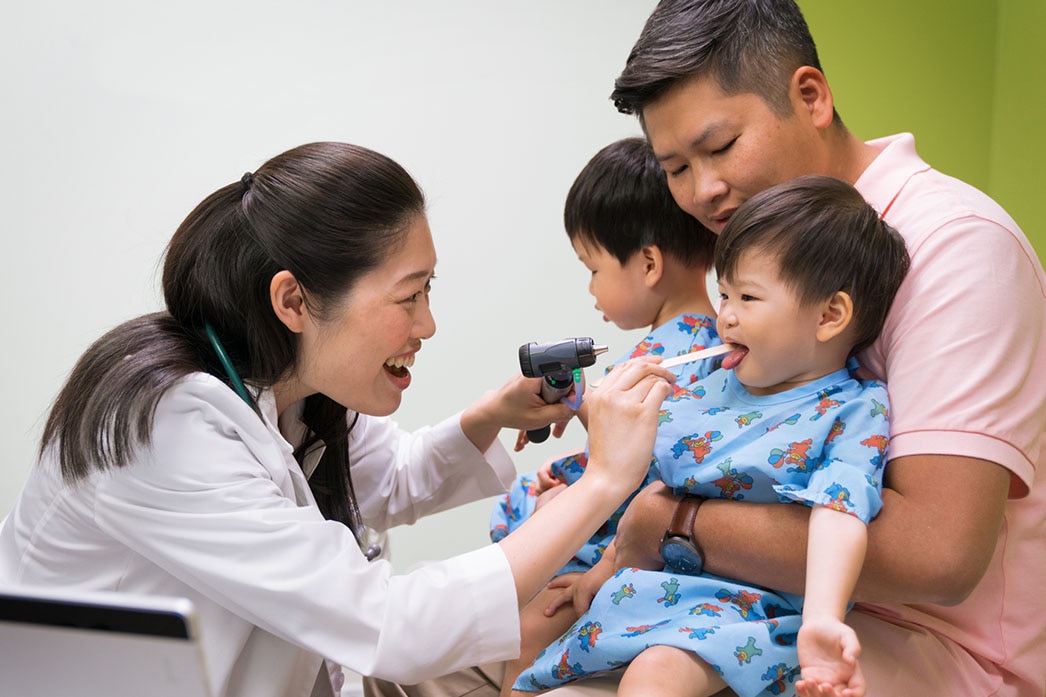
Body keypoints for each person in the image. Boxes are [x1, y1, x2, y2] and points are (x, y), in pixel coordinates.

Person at [0, 142, 679, 697]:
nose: (428, 324)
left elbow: (387, 478)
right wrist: (603, 481)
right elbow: (392, 624)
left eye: (429, 289)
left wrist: (488, 418)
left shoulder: (288, 382)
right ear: (293, 299)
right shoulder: (168, 425)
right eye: (408, 296)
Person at [542, 1, 1043, 695]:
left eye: (720, 148)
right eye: (676, 168)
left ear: (810, 96)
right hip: (753, 599)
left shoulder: (955, 247)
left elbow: (938, 553)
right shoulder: (762, 247)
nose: (702, 190)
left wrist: (676, 520)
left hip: (922, 644)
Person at [514, 175, 909, 697]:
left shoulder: (853, 409)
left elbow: (840, 511)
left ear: (829, 315)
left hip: (741, 613)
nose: (724, 317)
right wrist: (606, 568)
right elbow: (652, 490)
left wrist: (823, 618)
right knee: (528, 670)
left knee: (655, 676)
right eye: (723, 293)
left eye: (747, 297)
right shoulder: (710, 384)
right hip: (648, 590)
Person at [489, 136, 719, 693]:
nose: (590, 290)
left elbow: (651, 464)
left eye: (592, 269)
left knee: (523, 635)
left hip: (631, 549)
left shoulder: (672, 362)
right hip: (621, 528)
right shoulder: (695, 345)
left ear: (647, 264)